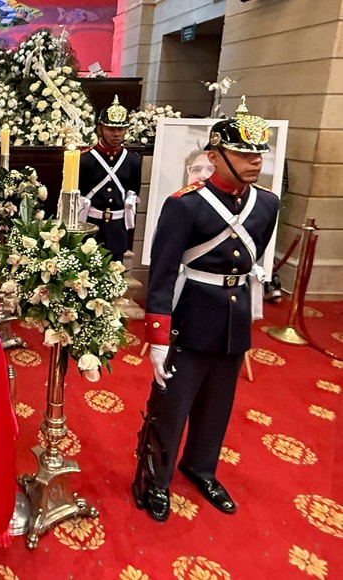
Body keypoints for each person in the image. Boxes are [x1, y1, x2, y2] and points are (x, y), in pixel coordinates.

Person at [138, 98, 279, 522]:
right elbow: (163, 273)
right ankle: (156, 478)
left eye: (259, 153)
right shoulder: (185, 204)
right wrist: (158, 339)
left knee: (219, 404)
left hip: (233, 320)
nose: (255, 161)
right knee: (173, 405)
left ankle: (201, 467)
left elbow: (251, 260)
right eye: (243, 153)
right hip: (191, 316)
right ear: (215, 156)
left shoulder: (267, 204)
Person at [78, 95, 142, 262]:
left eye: (121, 129)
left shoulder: (133, 161)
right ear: (100, 129)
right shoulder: (85, 160)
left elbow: (133, 192)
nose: (116, 134)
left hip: (117, 230)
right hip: (91, 228)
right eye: (111, 129)